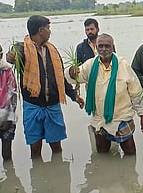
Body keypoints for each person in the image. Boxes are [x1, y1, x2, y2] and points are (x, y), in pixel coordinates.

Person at [6, 15, 85, 159]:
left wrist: (74, 96)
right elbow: (13, 55)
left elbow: (60, 78)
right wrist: (11, 57)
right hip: (33, 105)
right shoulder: (23, 48)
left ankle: (57, 173)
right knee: (35, 148)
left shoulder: (52, 51)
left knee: (57, 147)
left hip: (53, 105)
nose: (50, 31)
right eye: (48, 28)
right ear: (41, 30)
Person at [65, 33, 143, 155]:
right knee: (102, 152)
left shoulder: (123, 65)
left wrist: (142, 115)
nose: (104, 49)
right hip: (99, 119)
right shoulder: (90, 64)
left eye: (107, 46)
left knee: (130, 152)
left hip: (121, 117)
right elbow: (76, 77)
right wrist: (71, 72)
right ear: (96, 48)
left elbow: (135, 92)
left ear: (113, 47)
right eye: (100, 46)